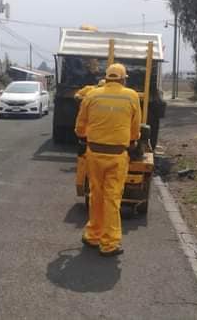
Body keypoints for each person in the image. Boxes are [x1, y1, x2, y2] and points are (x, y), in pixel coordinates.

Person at [75, 63, 141, 257]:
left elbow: (80, 124)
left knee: (96, 194)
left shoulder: (92, 95)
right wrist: (132, 141)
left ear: (107, 77)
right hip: (117, 155)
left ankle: (93, 235)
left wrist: (83, 136)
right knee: (112, 198)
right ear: (123, 78)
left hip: (94, 153)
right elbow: (135, 128)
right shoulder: (132, 96)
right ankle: (109, 243)